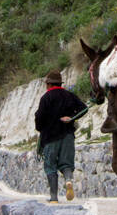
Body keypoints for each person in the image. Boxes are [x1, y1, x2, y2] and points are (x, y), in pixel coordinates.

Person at [34, 69, 86, 203]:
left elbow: (39, 120)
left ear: (49, 84)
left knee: (50, 166)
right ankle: (68, 180)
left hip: (50, 138)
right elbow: (84, 108)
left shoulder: (46, 98)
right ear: (60, 83)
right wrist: (72, 118)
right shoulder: (69, 95)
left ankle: (54, 197)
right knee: (66, 164)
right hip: (68, 136)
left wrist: (40, 127)